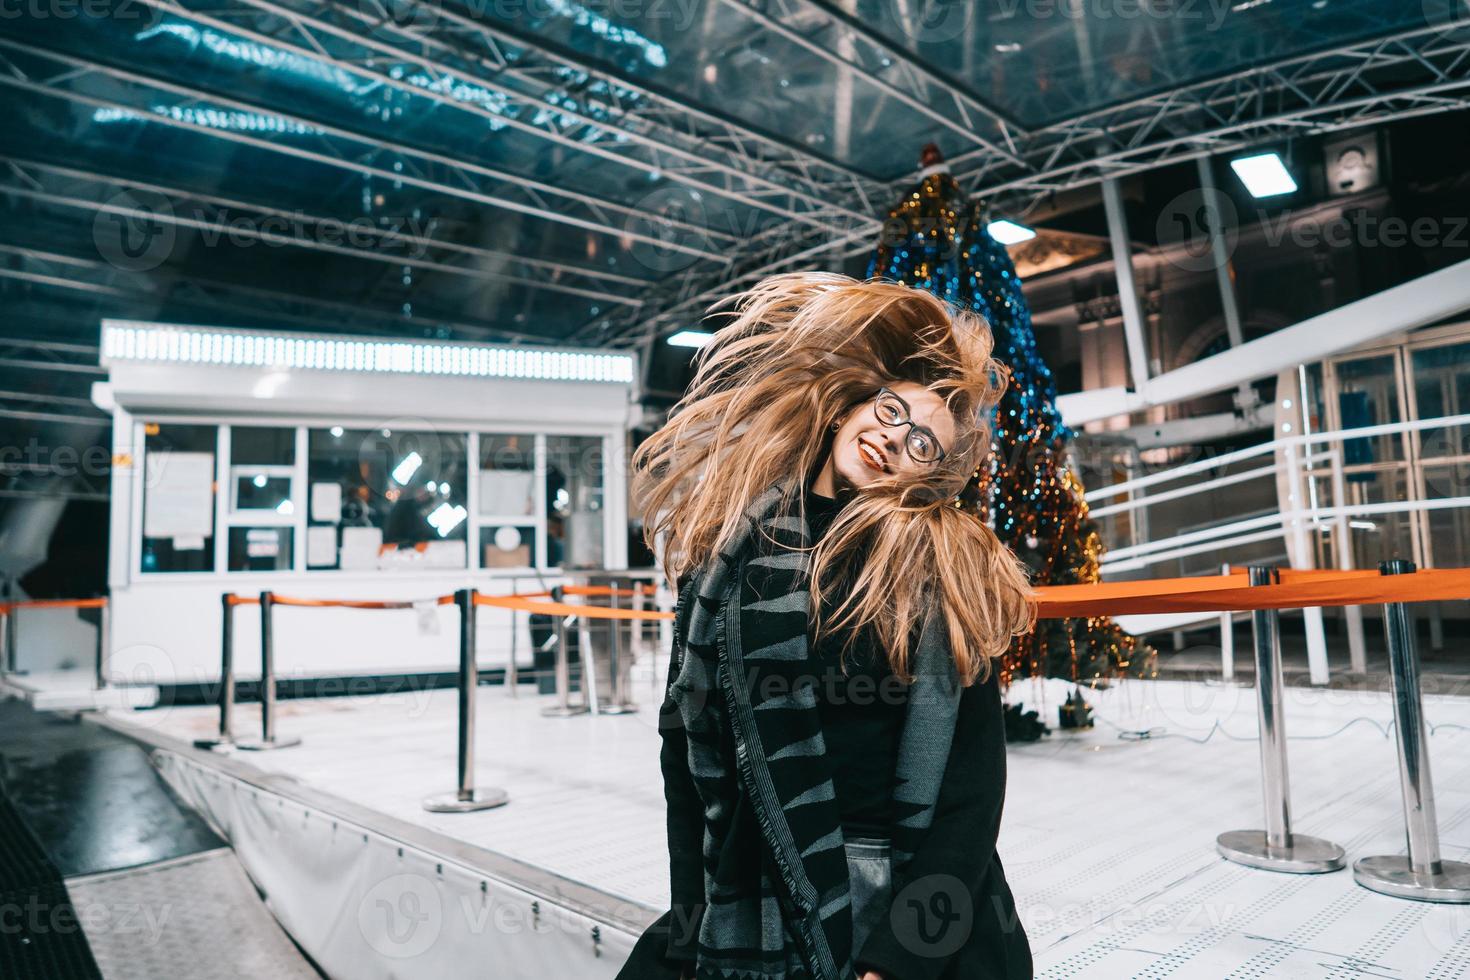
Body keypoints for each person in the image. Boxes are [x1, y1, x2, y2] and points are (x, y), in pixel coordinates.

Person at [617, 272, 1036, 980]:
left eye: (924, 445)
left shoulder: (938, 566)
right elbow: (683, 762)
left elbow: (971, 791)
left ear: (925, 479)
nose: (895, 438)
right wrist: (692, 922)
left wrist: (897, 959)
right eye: (893, 410)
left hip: (901, 905)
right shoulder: (728, 557)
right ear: (848, 407)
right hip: (754, 891)